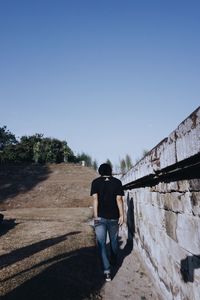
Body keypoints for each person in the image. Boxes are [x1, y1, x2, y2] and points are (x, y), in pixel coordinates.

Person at [90, 163, 124, 282]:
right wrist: (122, 215)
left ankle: (107, 272)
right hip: (114, 217)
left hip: (100, 217)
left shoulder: (95, 182)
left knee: (101, 243)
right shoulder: (117, 182)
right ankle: (114, 259)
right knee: (114, 240)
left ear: (100, 171)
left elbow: (95, 199)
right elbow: (119, 199)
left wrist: (95, 216)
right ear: (110, 171)